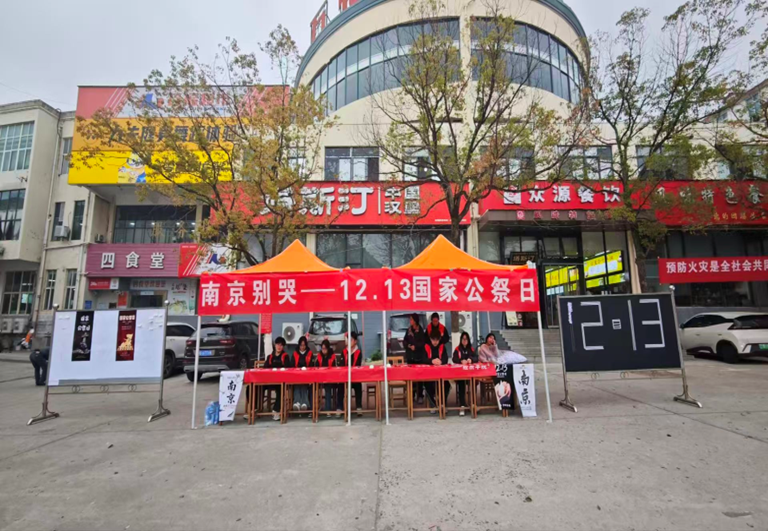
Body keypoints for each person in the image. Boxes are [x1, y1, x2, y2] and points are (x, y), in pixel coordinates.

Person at [424, 329, 450, 414]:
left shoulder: (442, 346)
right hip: (429, 374)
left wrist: (441, 361)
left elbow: (445, 358)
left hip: (441, 374)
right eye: (433, 340)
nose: (435, 342)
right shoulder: (426, 346)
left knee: (446, 385)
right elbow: (423, 359)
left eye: (437, 340)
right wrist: (431, 361)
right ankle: (433, 405)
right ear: (430, 339)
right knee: (427, 384)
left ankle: (443, 404)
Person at [402, 313, 427, 403]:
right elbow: (404, 341)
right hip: (410, 357)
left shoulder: (420, 331)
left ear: (415, 321)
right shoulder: (408, 330)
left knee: (419, 378)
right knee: (411, 377)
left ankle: (420, 395)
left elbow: (423, 343)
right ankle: (412, 395)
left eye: (411, 319)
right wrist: (408, 346)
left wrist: (415, 347)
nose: (410, 321)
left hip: (418, 357)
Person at [264, 337, 289, 421]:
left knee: (281, 388)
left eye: (281, 345)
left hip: (280, 381)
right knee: (252, 387)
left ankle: (276, 410)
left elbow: (288, 368)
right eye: (278, 344)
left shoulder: (285, 357)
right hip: (269, 381)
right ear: (275, 345)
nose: (279, 347)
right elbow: (265, 368)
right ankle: (254, 409)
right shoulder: (270, 357)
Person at [452, 332, 478, 415]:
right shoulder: (457, 349)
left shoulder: (471, 349)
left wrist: (471, 360)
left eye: (466, 339)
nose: (464, 341)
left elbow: (476, 357)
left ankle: (473, 404)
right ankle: (462, 405)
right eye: (463, 339)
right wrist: (461, 361)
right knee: (461, 383)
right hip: (461, 374)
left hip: (470, 374)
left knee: (474, 382)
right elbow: (454, 359)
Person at [317, 339, 343, 418]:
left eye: (325, 349)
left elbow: (335, 368)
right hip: (321, 378)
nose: (323, 350)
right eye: (322, 348)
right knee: (324, 386)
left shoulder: (333, 356)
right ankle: (323, 408)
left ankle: (328, 409)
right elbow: (316, 368)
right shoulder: (319, 356)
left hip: (332, 379)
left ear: (328, 348)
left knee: (328, 386)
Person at [342, 331, 363, 416]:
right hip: (345, 377)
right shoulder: (344, 352)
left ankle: (359, 407)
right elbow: (342, 365)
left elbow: (357, 365)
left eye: (351, 340)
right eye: (348, 339)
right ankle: (341, 407)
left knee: (358, 386)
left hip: (355, 376)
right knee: (341, 386)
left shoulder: (358, 352)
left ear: (355, 341)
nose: (349, 341)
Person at [289, 337, 313, 412]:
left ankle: (304, 403)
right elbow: (292, 365)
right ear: (299, 345)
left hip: (307, 375)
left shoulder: (309, 353)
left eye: (304, 345)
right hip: (296, 375)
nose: (302, 347)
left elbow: (312, 366)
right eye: (301, 345)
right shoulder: (295, 353)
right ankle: (297, 402)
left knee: (304, 385)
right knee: (297, 385)